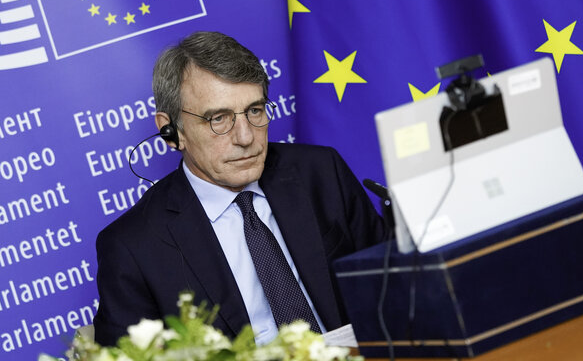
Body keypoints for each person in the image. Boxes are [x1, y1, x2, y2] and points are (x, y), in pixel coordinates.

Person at [93, 31, 386, 346]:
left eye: (255, 111)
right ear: (171, 132)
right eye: (219, 118)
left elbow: (392, 284)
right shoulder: (133, 248)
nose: (246, 137)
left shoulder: (321, 174)